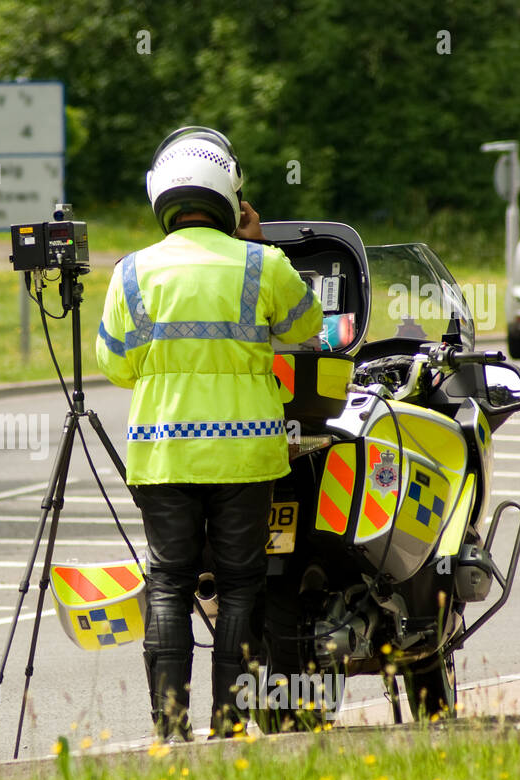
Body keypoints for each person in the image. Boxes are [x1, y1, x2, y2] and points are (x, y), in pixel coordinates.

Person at [95, 126, 324, 741]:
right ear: (230, 195)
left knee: (168, 581)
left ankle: (170, 728)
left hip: (163, 452)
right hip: (245, 454)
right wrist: (256, 245)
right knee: (242, 582)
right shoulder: (261, 264)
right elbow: (309, 328)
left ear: (161, 196)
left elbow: (116, 366)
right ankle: (230, 724)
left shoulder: (132, 272)